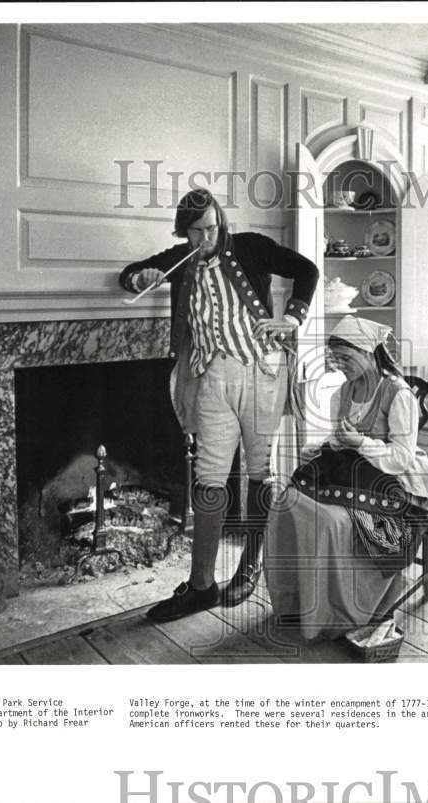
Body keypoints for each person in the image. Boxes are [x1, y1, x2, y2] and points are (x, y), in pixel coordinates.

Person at [119, 188, 319, 621]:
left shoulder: (251, 246)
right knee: (208, 478)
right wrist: (141, 277)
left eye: (211, 227)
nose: (205, 237)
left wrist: (291, 318)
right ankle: (201, 586)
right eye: (195, 231)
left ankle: (250, 565)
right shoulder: (182, 258)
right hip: (210, 378)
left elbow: (307, 270)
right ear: (184, 232)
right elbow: (130, 274)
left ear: (220, 222)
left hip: (261, 373)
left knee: (259, 471)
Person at [264, 316, 428, 641]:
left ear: (368, 352)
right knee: (286, 500)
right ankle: (299, 599)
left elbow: (400, 458)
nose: (338, 365)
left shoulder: (398, 394)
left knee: (329, 522)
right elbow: (340, 438)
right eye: (335, 358)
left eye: (345, 357)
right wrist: (321, 447)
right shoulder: (344, 391)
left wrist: (360, 443)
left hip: (396, 484)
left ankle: (340, 609)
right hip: (357, 471)